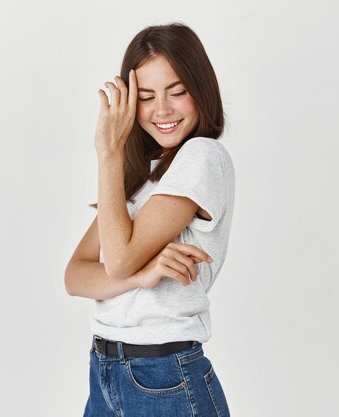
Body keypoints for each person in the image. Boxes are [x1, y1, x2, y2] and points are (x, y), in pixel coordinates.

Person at [64, 22, 234, 417]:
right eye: (146, 96)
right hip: (105, 371)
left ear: (201, 90)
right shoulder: (144, 179)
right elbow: (75, 276)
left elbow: (117, 260)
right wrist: (140, 276)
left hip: (163, 377)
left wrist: (108, 150)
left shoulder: (202, 156)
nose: (163, 109)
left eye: (177, 91)